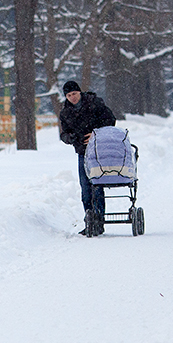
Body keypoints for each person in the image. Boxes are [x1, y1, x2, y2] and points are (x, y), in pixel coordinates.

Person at [58, 80, 117, 236]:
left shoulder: (94, 103)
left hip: (99, 150)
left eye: (74, 94)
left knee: (96, 186)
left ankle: (99, 222)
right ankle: (90, 221)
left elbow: (110, 120)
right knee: (85, 190)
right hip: (82, 152)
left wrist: (96, 133)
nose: (73, 97)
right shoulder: (65, 113)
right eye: (69, 95)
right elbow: (63, 134)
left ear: (80, 92)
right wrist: (71, 138)